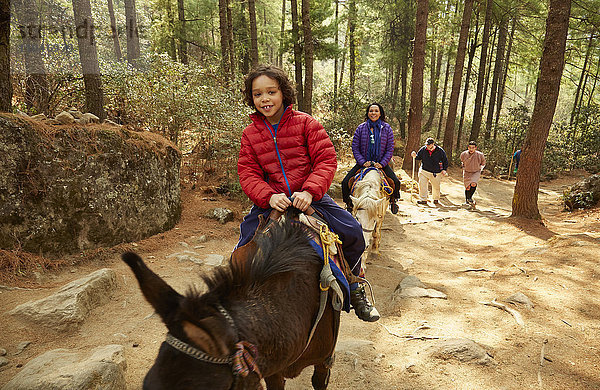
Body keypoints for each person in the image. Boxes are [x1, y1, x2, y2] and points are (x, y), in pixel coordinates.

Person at [236, 65, 379, 322]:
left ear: (283, 93)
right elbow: (247, 172)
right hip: (272, 202)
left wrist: (310, 192)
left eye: (271, 92)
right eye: (258, 94)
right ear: (251, 98)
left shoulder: (307, 123)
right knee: (242, 250)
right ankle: (236, 302)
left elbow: (325, 160)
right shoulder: (250, 134)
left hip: (311, 198)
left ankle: (356, 285)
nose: (265, 99)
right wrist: (269, 196)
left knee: (353, 232)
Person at [342, 103, 401, 214]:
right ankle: (349, 204)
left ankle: (393, 201)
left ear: (380, 113)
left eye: (376, 111)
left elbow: (390, 149)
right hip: (363, 163)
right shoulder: (361, 128)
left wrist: (382, 163)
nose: (373, 113)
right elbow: (355, 147)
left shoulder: (387, 128)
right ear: (368, 113)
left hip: (381, 163)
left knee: (396, 182)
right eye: (371, 111)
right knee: (345, 182)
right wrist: (363, 162)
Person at [410, 138, 449, 205]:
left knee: (436, 186)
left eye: (429, 145)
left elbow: (445, 160)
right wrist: (414, 155)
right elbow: (418, 157)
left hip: (436, 172)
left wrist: (444, 169)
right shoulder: (423, 149)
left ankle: (435, 199)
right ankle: (423, 199)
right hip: (424, 171)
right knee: (422, 185)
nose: (427, 146)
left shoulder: (440, 151)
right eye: (426, 144)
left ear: (433, 144)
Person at [460, 141, 486, 207]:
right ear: (468, 147)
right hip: (467, 171)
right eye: (470, 147)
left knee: (473, 184)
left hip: (476, 171)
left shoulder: (480, 154)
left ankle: (469, 198)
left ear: (475, 148)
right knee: (468, 187)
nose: (471, 149)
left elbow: (483, 162)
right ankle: (467, 201)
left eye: (473, 148)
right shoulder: (463, 154)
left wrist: (480, 168)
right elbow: (462, 161)